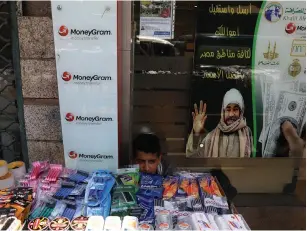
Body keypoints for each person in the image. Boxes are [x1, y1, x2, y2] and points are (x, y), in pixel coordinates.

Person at [186, 88, 253, 158]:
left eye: (235, 109)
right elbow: (192, 157)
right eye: (228, 109)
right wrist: (196, 134)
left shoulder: (248, 133)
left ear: (240, 112)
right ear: (223, 112)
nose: (231, 114)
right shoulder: (211, 137)